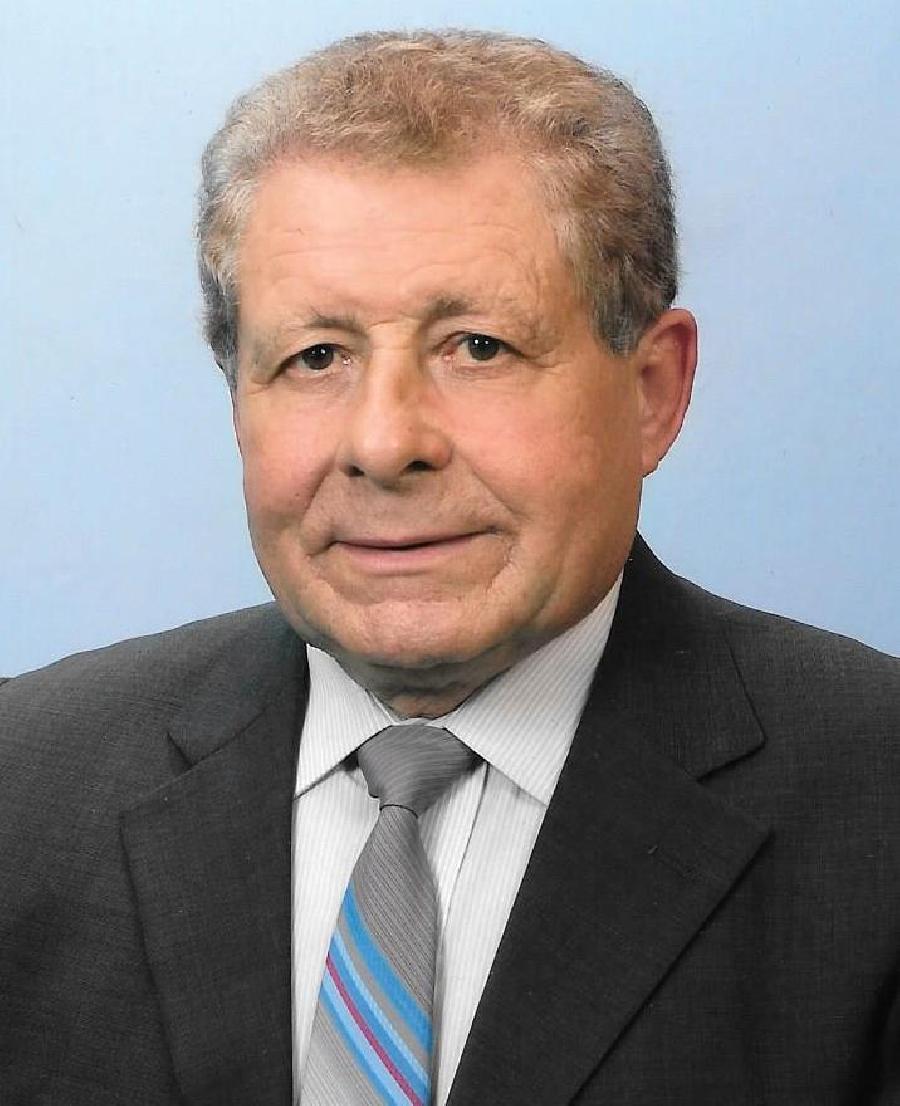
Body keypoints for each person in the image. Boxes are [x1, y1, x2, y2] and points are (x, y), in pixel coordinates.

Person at [1, 28, 898, 1106]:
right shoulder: (24, 789)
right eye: (316, 356)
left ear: (653, 392)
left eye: (478, 346)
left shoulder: (876, 811)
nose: (386, 444)